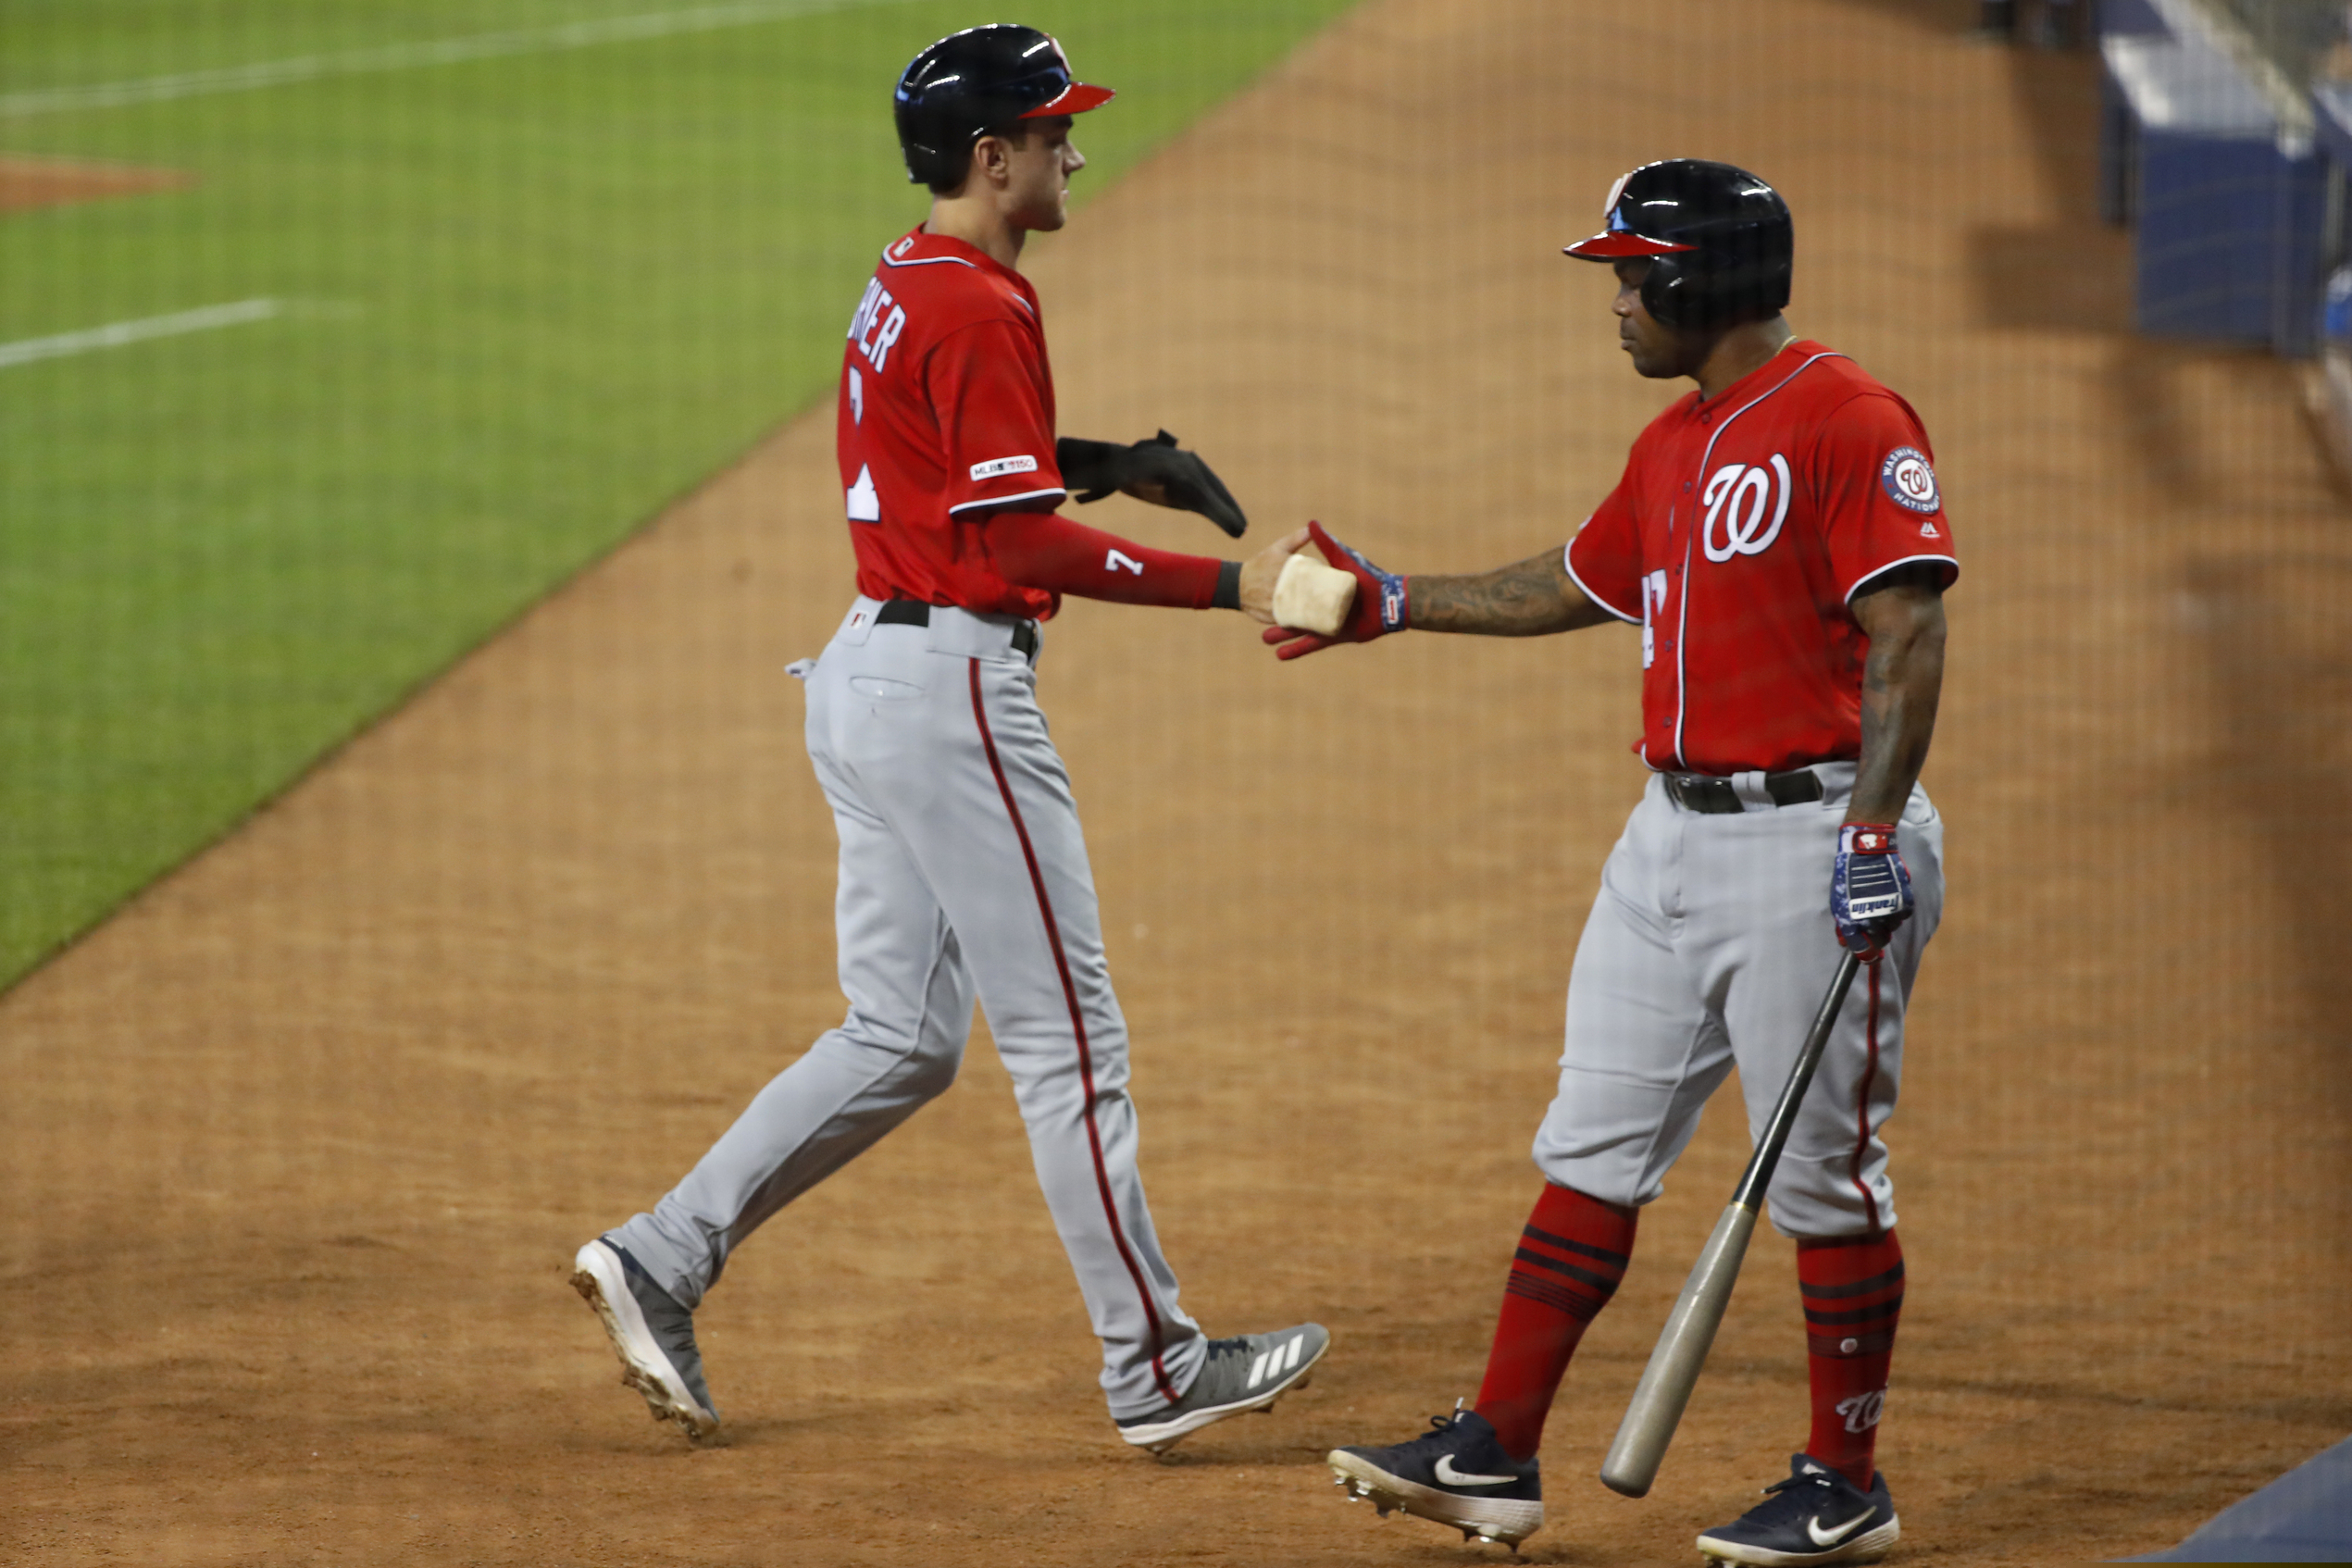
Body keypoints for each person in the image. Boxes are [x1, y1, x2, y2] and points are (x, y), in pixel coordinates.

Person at [570, 23, 1326, 1456]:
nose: (1073, 152)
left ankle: (663, 1253)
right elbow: (1012, 534)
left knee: (901, 1035)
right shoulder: (983, 303)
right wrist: (1236, 583)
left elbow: (949, 464)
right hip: (956, 695)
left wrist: (1112, 464)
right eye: (1052, 134)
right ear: (992, 157)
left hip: (870, 676)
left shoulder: (909, 276)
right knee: (1071, 1042)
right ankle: (1154, 1367)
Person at [1285, 160, 1954, 1563]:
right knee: (1590, 1141)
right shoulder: (1676, 443)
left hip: (1814, 838)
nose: (1616, 301)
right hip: (1668, 842)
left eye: (1631, 273)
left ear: (1701, 278)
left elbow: (1908, 630)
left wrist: (1874, 834)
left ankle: (1847, 1477)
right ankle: (1496, 1450)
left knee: (1824, 1176)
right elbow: (1577, 580)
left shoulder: (1846, 416)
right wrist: (1391, 603)